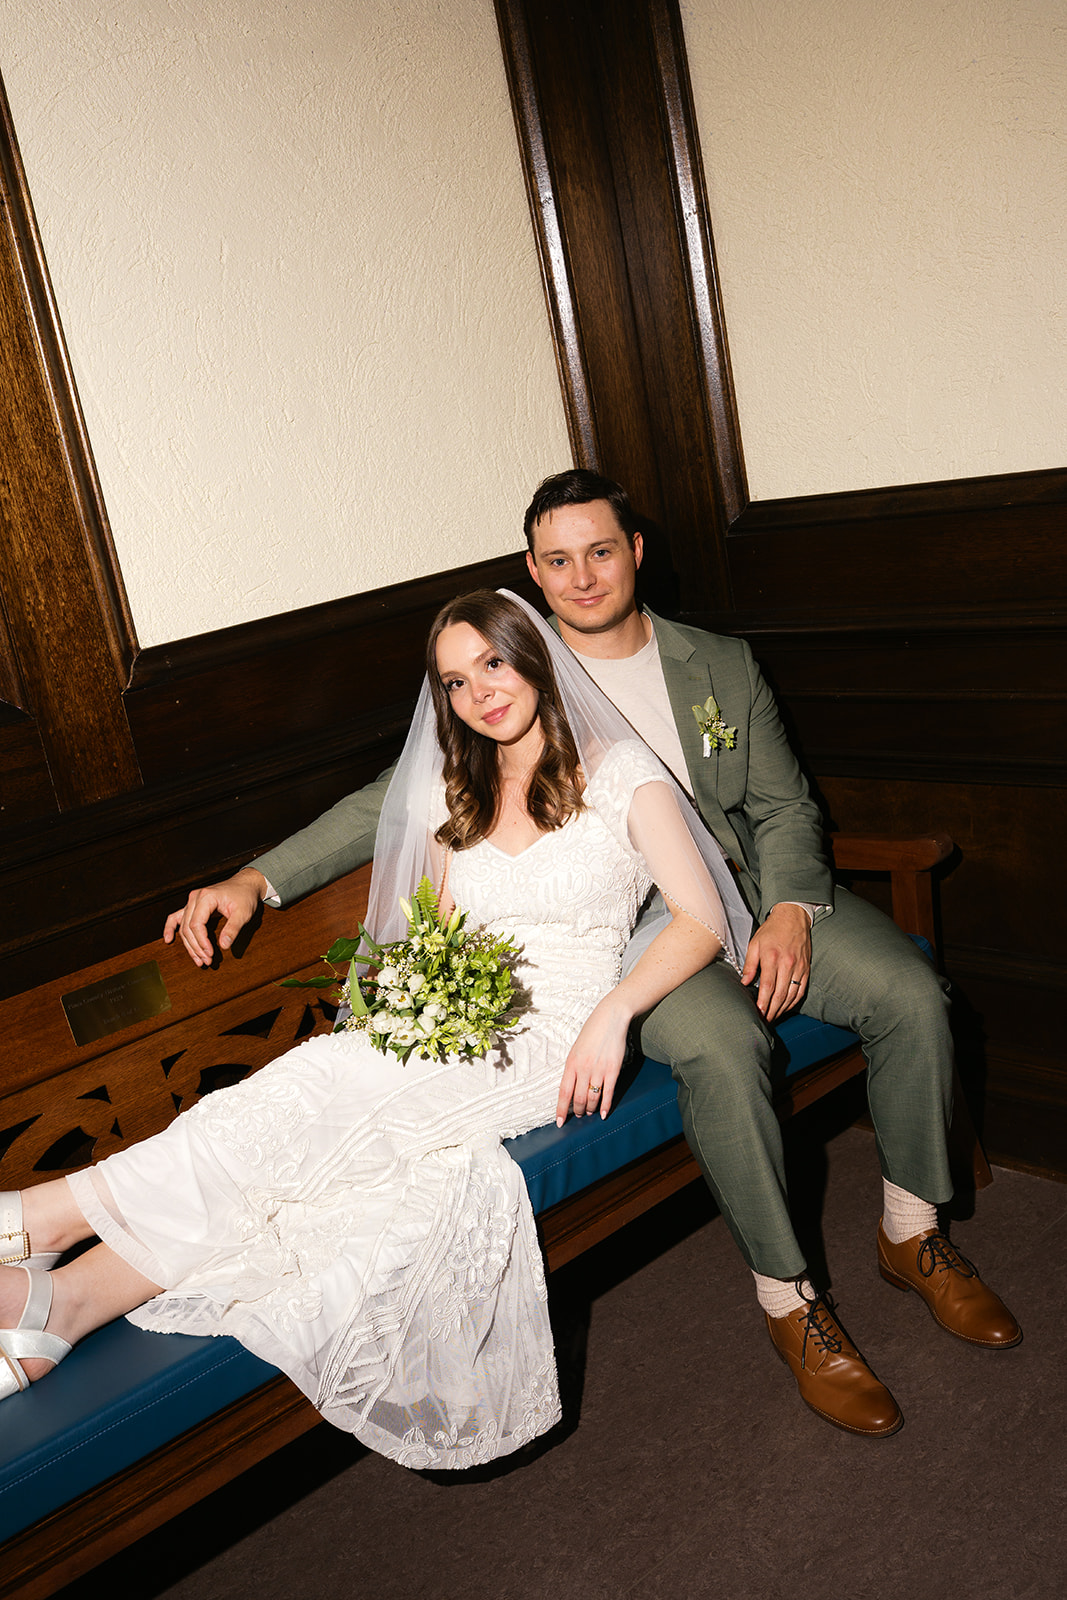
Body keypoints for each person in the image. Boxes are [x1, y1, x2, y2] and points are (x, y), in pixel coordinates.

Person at [0, 590, 750, 1469]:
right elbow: (423, 921)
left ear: (536, 657)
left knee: (311, 1097)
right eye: (455, 681)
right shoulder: (452, 785)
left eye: (494, 665)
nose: (480, 694)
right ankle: (64, 1302)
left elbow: (700, 919)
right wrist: (402, 1002)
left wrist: (613, 1016)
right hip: (447, 1015)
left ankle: (45, 1224)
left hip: (548, 1036)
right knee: (302, 1110)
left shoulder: (625, 774)